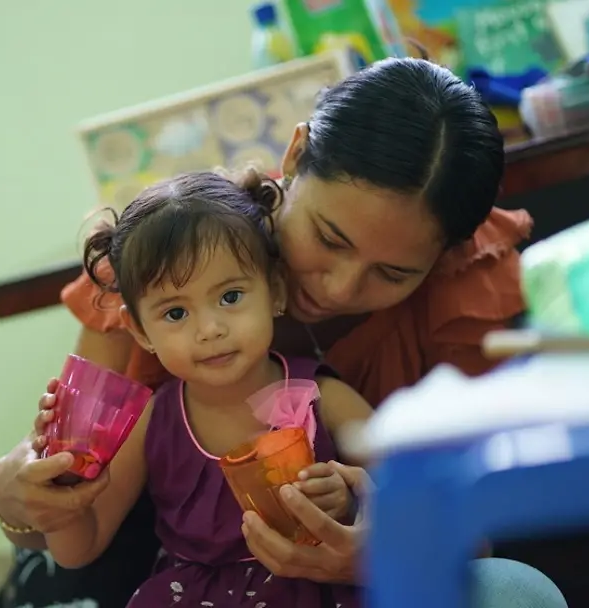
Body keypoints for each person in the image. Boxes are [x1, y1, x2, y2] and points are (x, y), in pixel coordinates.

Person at [0, 58, 566, 608]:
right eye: (329, 238)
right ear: (294, 155)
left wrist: (380, 543)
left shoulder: (455, 291)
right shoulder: (174, 251)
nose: (339, 288)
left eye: (393, 273)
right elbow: (66, 527)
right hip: (152, 568)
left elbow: (474, 518)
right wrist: (30, 493)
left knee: (514, 591)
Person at [36, 171, 374, 606]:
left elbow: (420, 495)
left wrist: (351, 502)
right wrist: (61, 481)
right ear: (139, 331)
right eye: (175, 313)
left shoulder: (322, 396)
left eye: (230, 297)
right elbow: (79, 549)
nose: (210, 329)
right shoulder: (150, 421)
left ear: (274, 291)